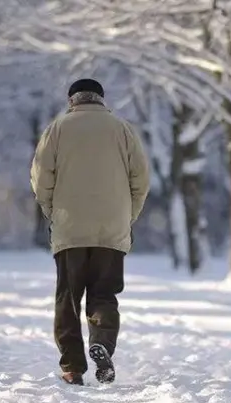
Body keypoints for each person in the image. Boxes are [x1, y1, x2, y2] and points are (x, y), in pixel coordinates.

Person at [30, 78, 150, 385]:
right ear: (100, 99)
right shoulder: (122, 129)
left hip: (69, 229)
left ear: (72, 101)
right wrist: (126, 217)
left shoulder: (57, 129)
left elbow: (41, 178)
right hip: (111, 230)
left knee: (68, 300)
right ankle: (102, 343)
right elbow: (141, 181)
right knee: (104, 294)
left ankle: (72, 367)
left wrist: (52, 212)